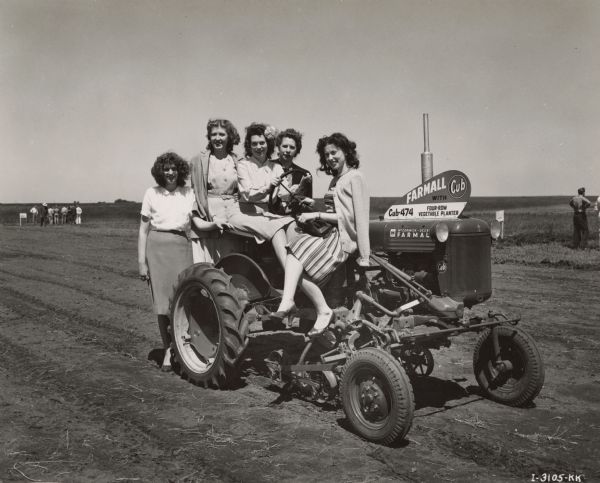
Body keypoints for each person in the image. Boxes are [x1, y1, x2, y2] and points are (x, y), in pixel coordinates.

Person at [272, 133, 371, 336]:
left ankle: (320, 309)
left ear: (346, 152)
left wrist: (365, 256)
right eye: (326, 155)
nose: (330, 158)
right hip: (330, 234)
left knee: (297, 258)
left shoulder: (355, 177)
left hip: (343, 241)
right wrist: (314, 205)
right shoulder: (336, 179)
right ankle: (289, 301)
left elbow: (357, 218)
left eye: (334, 152)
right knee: (293, 252)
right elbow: (333, 210)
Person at [138, 152, 210, 371]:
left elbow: (196, 222)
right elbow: (142, 230)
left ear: (180, 171)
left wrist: (217, 225)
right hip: (157, 247)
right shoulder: (152, 193)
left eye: (174, 169)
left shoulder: (188, 193)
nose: (170, 173)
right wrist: (142, 261)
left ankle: (185, 346)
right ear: (160, 172)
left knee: (184, 298)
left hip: (181, 246)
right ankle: (168, 350)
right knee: (163, 305)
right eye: (166, 169)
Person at [228, 122, 294, 267]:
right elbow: (248, 195)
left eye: (262, 143)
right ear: (249, 146)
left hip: (265, 214)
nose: (258, 147)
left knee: (293, 224)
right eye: (254, 144)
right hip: (243, 214)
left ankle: (301, 268)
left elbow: (284, 195)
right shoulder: (243, 165)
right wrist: (268, 187)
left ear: (268, 144)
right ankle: (289, 272)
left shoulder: (276, 167)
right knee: (276, 228)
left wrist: (295, 192)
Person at [188, 119, 243, 263]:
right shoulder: (198, 160)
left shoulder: (238, 160)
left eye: (222, 134)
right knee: (207, 265)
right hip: (209, 215)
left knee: (231, 263)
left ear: (229, 136)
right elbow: (195, 193)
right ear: (209, 137)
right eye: (214, 134)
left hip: (233, 215)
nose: (217, 138)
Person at [270, 128, 313, 216]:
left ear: (297, 150)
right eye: (285, 146)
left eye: (292, 147)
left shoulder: (304, 174)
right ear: (278, 147)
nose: (288, 150)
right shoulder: (268, 166)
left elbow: (308, 202)